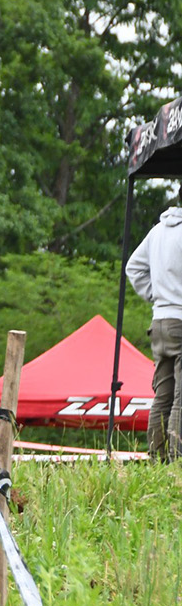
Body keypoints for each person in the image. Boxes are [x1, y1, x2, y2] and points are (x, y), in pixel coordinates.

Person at [127, 194, 182, 461]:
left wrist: (157, 295)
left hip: (159, 321)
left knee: (163, 396)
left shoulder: (158, 230)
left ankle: (156, 457)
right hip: (181, 320)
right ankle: (177, 462)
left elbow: (133, 268)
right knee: (180, 399)